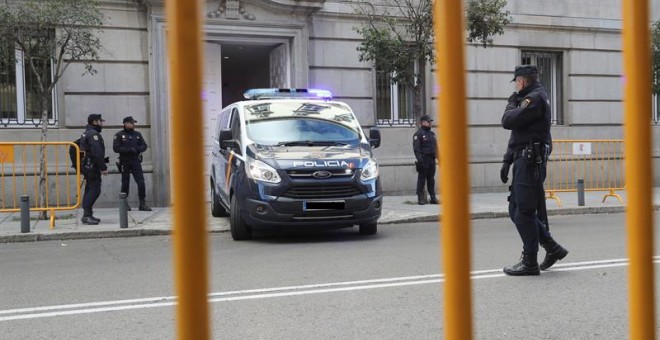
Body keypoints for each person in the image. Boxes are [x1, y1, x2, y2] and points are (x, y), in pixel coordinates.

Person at [500, 65, 568, 276]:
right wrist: (507, 160)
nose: (516, 86)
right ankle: (552, 247)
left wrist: (511, 103)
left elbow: (508, 121)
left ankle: (530, 261)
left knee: (524, 212)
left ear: (521, 81)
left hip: (531, 162)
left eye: (517, 82)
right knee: (516, 210)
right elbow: (517, 134)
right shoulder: (529, 98)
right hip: (523, 159)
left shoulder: (535, 98)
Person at [113, 116, 151, 211]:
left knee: (141, 182)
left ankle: (142, 203)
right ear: (125, 124)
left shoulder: (137, 134)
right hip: (124, 161)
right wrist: (129, 150)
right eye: (131, 123)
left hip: (135, 161)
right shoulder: (119, 135)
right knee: (125, 183)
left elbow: (144, 145)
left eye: (133, 122)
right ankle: (124, 204)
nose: (133, 124)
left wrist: (137, 149)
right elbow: (116, 148)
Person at [80, 114, 109, 225]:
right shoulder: (93, 134)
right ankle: (87, 215)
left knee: (89, 189)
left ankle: (87, 214)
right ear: (95, 122)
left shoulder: (87, 132)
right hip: (92, 166)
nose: (102, 123)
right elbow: (97, 153)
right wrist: (103, 168)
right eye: (100, 121)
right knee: (95, 190)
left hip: (88, 165)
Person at [413, 114, 439, 205]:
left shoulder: (432, 134)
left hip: (431, 159)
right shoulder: (418, 134)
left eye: (430, 122)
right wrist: (420, 160)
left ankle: (433, 198)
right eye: (428, 122)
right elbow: (416, 149)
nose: (430, 123)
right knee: (421, 179)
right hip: (423, 160)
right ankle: (420, 198)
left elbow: (436, 147)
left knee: (431, 179)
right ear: (423, 123)